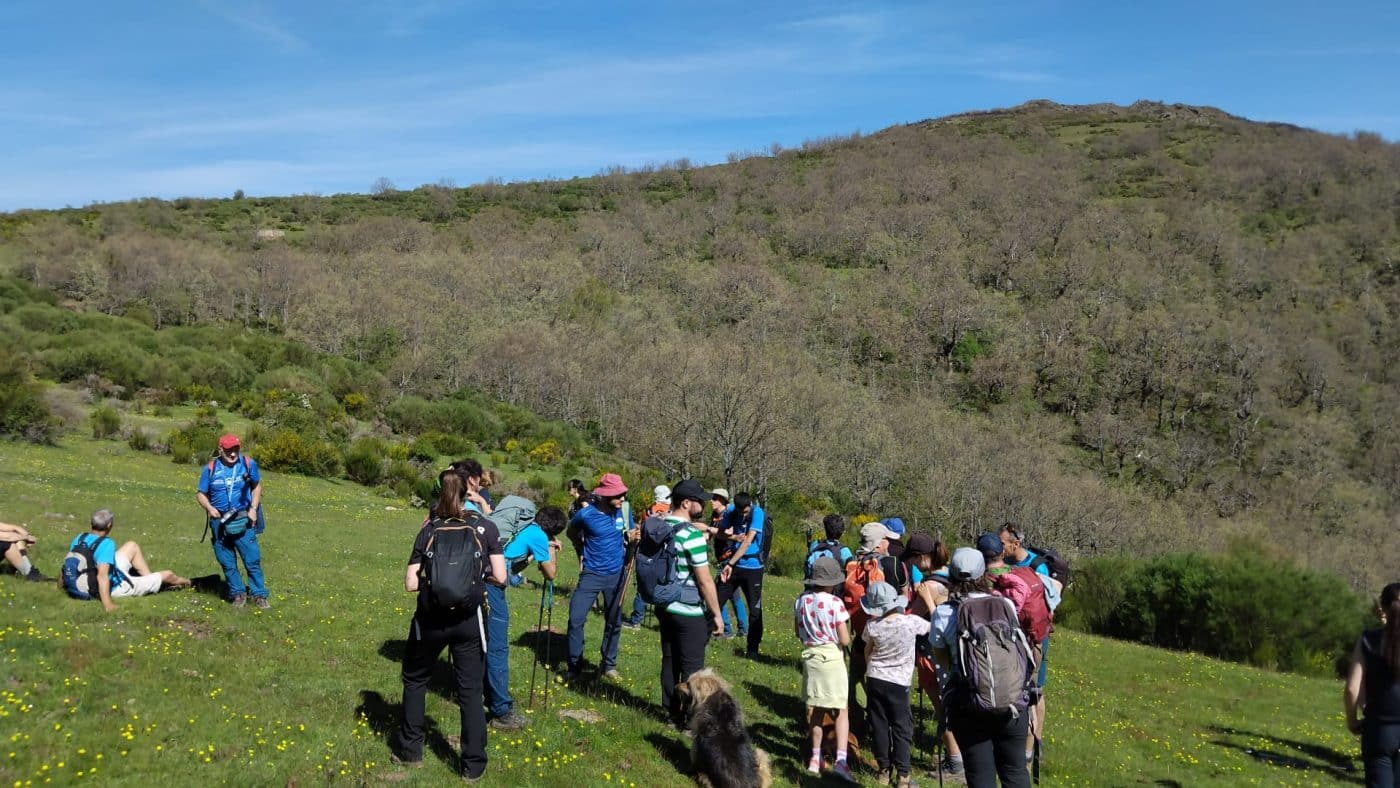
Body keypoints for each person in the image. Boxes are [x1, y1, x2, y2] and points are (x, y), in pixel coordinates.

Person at [394, 473, 507, 782]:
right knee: (470, 691)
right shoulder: (485, 528)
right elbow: (501, 576)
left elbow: (409, 583)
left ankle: (411, 750)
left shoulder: (429, 529)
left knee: (416, 679)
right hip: (469, 620)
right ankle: (473, 766)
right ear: (470, 492)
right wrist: (475, 575)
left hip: (430, 619)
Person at [929, 548, 1032, 788]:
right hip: (1013, 702)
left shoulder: (944, 613)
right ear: (983, 573)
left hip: (970, 704)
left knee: (980, 775)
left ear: (951, 574)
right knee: (1015, 771)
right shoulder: (1004, 604)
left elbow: (942, 661)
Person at [482, 503, 565, 733]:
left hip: (483, 577)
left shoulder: (529, 528)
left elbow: (517, 559)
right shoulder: (539, 535)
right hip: (492, 585)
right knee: (497, 647)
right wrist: (551, 551)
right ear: (555, 530)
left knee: (483, 642)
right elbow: (551, 574)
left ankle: (485, 693)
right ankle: (500, 708)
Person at [651, 479, 723, 730]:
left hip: (664, 605)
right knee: (693, 669)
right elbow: (704, 581)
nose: (703, 504)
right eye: (698, 501)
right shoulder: (692, 536)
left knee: (670, 659)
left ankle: (672, 714)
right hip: (688, 609)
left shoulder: (658, 526)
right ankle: (691, 722)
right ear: (686, 503)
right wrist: (717, 614)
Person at [902, 533, 963, 774]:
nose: (914, 565)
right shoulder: (954, 577)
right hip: (956, 652)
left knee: (941, 707)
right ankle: (960, 753)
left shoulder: (930, 585)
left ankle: (955, 759)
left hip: (932, 652)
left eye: (916, 559)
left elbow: (910, 619)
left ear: (925, 557)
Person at [862, 581, 930, 788]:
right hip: (899, 683)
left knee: (879, 724)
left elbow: (868, 650)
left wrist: (870, 667)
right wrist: (928, 601)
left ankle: (883, 770)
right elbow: (936, 627)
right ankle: (903, 776)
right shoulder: (911, 623)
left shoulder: (873, 626)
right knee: (901, 727)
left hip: (875, 678)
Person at [999, 524, 1058, 761]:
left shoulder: (1038, 567)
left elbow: (1050, 603)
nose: (1000, 548)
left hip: (1034, 636)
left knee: (1035, 689)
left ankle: (1035, 742)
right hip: (1011, 635)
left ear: (1016, 543)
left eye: (1003, 544)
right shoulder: (1006, 564)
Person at [565, 473, 629, 680]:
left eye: (623, 495)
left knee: (614, 621)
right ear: (604, 496)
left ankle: (608, 665)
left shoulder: (625, 511)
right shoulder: (586, 515)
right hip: (592, 573)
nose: (622, 499)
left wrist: (633, 537)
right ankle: (574, 667)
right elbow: (571, 532)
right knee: (576, 619)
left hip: (617, 573)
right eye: (618, 496)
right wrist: (580, 549)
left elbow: (631, 531)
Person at [795, 556, 854, 783]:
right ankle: (840, 761)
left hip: (810, 657)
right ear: (831, 581)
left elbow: (797, 631)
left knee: (817, 709)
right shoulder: (835, 603)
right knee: (841, 709)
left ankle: (815, 757)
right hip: (831, 657)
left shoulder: (801, 601)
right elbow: (845, 639)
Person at [196, 433, 268, 609]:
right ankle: (237, 593)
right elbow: (201, 494)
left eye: (236, 449)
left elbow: (257, 486)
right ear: (220, 449)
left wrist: (253, 509)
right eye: (229, 450)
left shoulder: (248, 464)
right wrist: (210, 508)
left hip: (244, 518)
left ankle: (259, 595)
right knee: (227, 561)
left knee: (252, 560)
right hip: (218, 520)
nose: (233, 454)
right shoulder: (210, 469)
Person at [66, 509, 189, 610]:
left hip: (86, 578)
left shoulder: (80, 537)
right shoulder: (106, 544)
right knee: (168, 575)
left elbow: (69, 563)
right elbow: (102, 576)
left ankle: (150, 580)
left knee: (132, 546)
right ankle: (190, 583)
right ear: (109, 525)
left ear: (91, 523)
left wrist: (61, 586)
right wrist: (108, 605)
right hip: (113, 588)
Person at [1345, 582, 1400, 788]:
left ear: (1383, 608)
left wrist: (1352, 720)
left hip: (1378, 730)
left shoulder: (1368, 640)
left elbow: (1352, 689)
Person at [715, 492, 766, 658]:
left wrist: (730, 563)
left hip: (753, 568)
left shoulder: (757, 513)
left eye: (746, 512)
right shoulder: (730, 512)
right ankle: (704, 636)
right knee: (716, 599)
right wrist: (733, 536)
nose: (744, 515)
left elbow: (748, 541)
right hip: (735, 565)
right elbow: (720, 533)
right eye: (741, 513)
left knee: (755, 610)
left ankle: (752, 649)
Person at [624, 485, 672, 629]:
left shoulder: (648, 510)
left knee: (643, 587)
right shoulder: (672, 511)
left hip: (646, 552)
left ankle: (636, 620)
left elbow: (642, 527)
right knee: (664, 585)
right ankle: (666, 621)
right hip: (664, 553)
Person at [705, 488, 748, 639]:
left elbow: (729, 534)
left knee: (718, 596)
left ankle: (726, 629)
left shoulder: (728, 514)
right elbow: (712, 534)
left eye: (715, 498)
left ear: (723, 500)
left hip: (728, 560)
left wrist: (711, 530)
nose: (712, 501)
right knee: (734, 596)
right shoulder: (715, 516)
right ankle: (742, 629)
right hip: (722, 560)